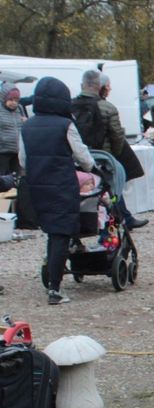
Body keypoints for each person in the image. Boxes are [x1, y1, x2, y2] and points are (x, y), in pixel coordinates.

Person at [19, 77, 95, 305]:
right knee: (61, 235)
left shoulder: (27, 126)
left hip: (37, 186)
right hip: (62, 185)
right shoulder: (66, 125)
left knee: (52, 233)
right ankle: (55, 288)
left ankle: (52, 273)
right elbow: (84, 157)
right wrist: (92, 168)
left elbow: (23, 160)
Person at [71, 70, 146, 229]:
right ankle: (119, 216)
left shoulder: (70, 106)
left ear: (81, 84)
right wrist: (115, 154)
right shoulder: (107, 107)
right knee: (112, 188)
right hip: (103, 155)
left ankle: (89, 219)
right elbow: (117, 135)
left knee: (83, 188)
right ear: (99, 86)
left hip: (77, 156)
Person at [0, 84, 26, 174]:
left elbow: (24, 127)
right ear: (4, 98)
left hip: (18, 152)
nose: (14, 103)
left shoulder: (20, 108)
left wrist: (26, 122)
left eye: (16, 100)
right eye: (11, 100)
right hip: (3, 152)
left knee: (18, 178)